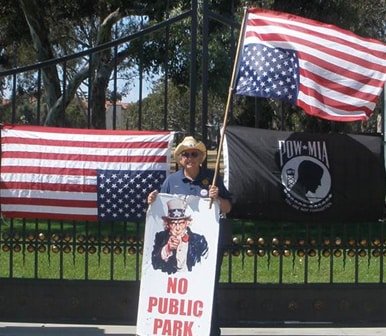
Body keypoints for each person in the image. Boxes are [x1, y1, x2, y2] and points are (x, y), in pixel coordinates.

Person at [147, 135, 232, 336]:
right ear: (180, 158)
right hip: (174, 247)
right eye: (186, 154)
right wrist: (152, 200)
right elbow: (160, 212)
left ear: (201, 157)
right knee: (176, 291)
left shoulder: (212, 179)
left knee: (206, 289)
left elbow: (228, 208)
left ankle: (209, 330)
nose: (190, 158)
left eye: (194, 154)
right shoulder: (171, 181)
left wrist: (217, 197)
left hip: (205, 248)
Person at [152, 198, 208, 274]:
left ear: (186, 223)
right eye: (173, 223)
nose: (177, 228)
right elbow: (154, 264)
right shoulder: (160, 237)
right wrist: (167, 249)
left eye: (181, 223)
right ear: (168, 224)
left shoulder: (199, 240)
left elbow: (205, 265)